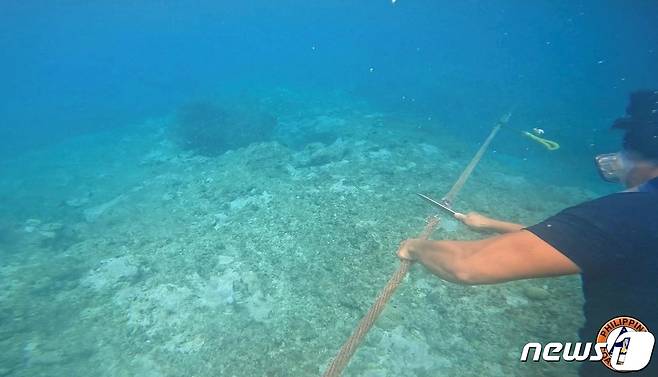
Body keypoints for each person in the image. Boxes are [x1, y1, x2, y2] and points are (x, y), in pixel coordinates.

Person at [397, 90, 658, 376]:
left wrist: (415, 247)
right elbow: (584, 242)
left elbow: (467, 266)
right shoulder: (630, 222)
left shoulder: (625, 213)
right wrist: (490, 224)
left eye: (625, 146)